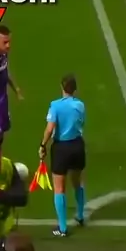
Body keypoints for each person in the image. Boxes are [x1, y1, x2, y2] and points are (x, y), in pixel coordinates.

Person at [39, 74, 86, 238]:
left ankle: (63, 227)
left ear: (62, 87)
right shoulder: (80, 105)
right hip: (77, 145)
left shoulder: (55, 106)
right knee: (77, 182)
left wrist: (43, 145)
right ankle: (80, 215)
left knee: (59, 188)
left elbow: (50, 128)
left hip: (61, 148)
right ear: (75, 89)